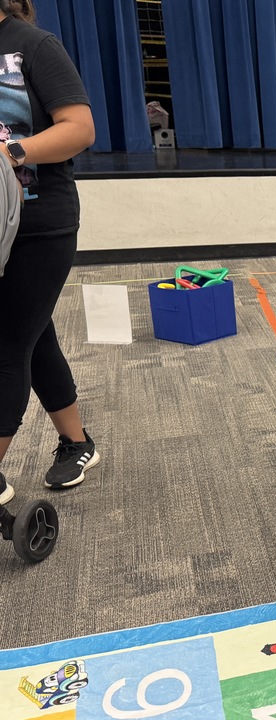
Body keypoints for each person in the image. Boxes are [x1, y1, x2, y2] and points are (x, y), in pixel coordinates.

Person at [0, 0, 98, 536]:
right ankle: (79, 442)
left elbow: (79, 128)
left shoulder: (34, 46)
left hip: (39, 223)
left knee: (7, 345)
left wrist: (11, 152)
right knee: (33, 336)